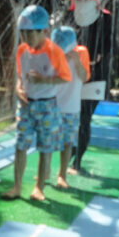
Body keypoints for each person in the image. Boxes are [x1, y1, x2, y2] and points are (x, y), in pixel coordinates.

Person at [1, 5, 72, 201]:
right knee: (20, 145)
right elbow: (20, 75)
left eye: (30, 33)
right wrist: (18, 89)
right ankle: (16, 186)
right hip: (26, 105)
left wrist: (43, 80)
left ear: (44, 31)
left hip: (47, 106)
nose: (26, 37)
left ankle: (39, 188)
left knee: (45, 148)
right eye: (23, 33)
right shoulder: (22, 50)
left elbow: (65, 77)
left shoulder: (54, 51)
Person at [66, 0, 111, 175]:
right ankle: (68, 155)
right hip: (73, 74)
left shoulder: (105, 19)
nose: (81, 3)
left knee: (84, 117)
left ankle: (77, 160)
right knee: (69, 115)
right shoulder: (70, 16)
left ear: (95, 2)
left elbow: (108, 49)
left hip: (95, 76)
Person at [51, 25, 90, 189]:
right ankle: (44, 171)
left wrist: (76, 61)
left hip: (71, 107)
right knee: (47, 143)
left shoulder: (81, 52)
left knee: (67, 143)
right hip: (52, 105)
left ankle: (62, 175)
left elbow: (85, 77)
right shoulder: (52, 53)